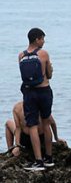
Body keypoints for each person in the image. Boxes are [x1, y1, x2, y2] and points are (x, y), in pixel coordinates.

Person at [18, 28, 54, 170]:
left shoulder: (21, 55)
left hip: (29, 93)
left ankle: (38, 160)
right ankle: (49, 158)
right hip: (44, 91)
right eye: (42, 39)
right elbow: (49, 75)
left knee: (32, 125)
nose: (43, 41)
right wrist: (50, 67)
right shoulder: (43, 54)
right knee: (46, 123)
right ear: (37, 39)